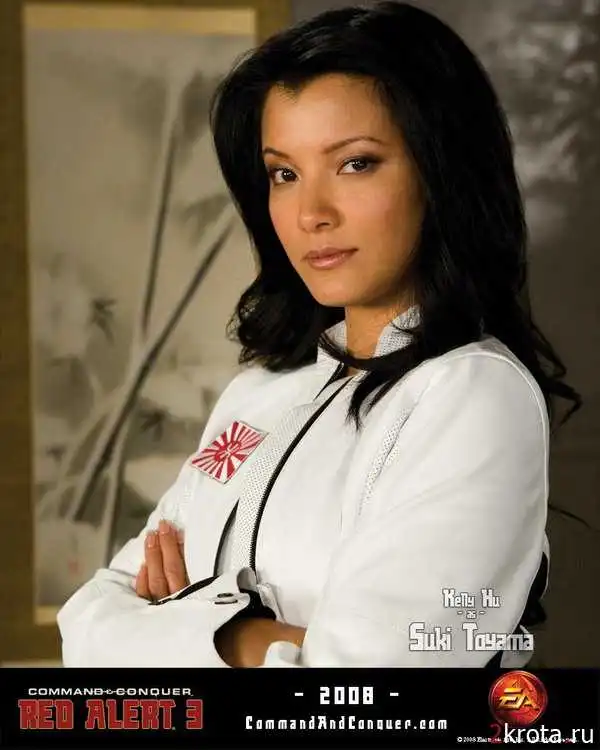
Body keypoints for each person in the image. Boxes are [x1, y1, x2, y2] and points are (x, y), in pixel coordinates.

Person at [57, 0, 581, 668]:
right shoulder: (260, 393)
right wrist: (261, 639)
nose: (311, 214)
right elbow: (85, 629)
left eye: (356, 163)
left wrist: (194, 622)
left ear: (441, 172)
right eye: (284, 173)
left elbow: (369, 686)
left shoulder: (474, 395)